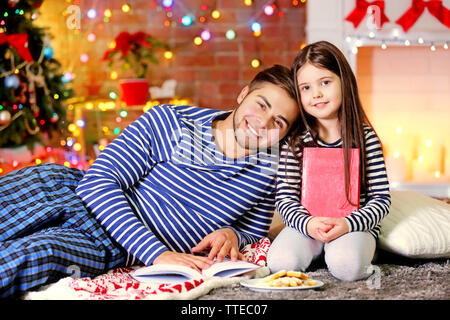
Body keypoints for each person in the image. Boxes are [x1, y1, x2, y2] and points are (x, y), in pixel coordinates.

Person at [0, 64, 301, 297]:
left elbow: (251, 231)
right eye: (261, 104)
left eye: (279, 121)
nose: (263, 122)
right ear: (243, 93)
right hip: (69, 194)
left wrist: (234, 236)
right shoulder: (171, 121)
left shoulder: (270, 169)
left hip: (104, 243)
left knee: (25, 260)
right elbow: (97, 182)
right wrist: (157, 254)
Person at [267, 41, 391, 282]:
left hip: (352, 225)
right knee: (280, 263)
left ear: (344, 81)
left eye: (325, 82)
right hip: (307, 225)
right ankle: (318, 251)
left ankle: (346, 251)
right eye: (305, 87)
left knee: (348, 267)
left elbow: (381, 199)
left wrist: (348, 224)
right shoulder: (295, 141)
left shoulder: (365, 138)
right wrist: (308, 223)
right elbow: (285, 197)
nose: (316, 94)